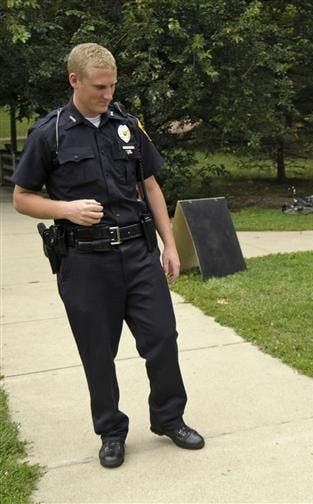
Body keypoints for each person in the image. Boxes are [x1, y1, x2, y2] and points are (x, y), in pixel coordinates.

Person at [10, 43, 204, 469]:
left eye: (113, 85)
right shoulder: (51, 133)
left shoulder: (128, 125)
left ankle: (169, 418)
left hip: (138, 254)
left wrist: (169, 244)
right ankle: (111, 431)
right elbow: (22, 198)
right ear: (74, 80)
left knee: (163, 339)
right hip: (85, 262)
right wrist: (66, 209)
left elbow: (149, 185)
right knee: (98, 352)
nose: (107, 94)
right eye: (99, 86)